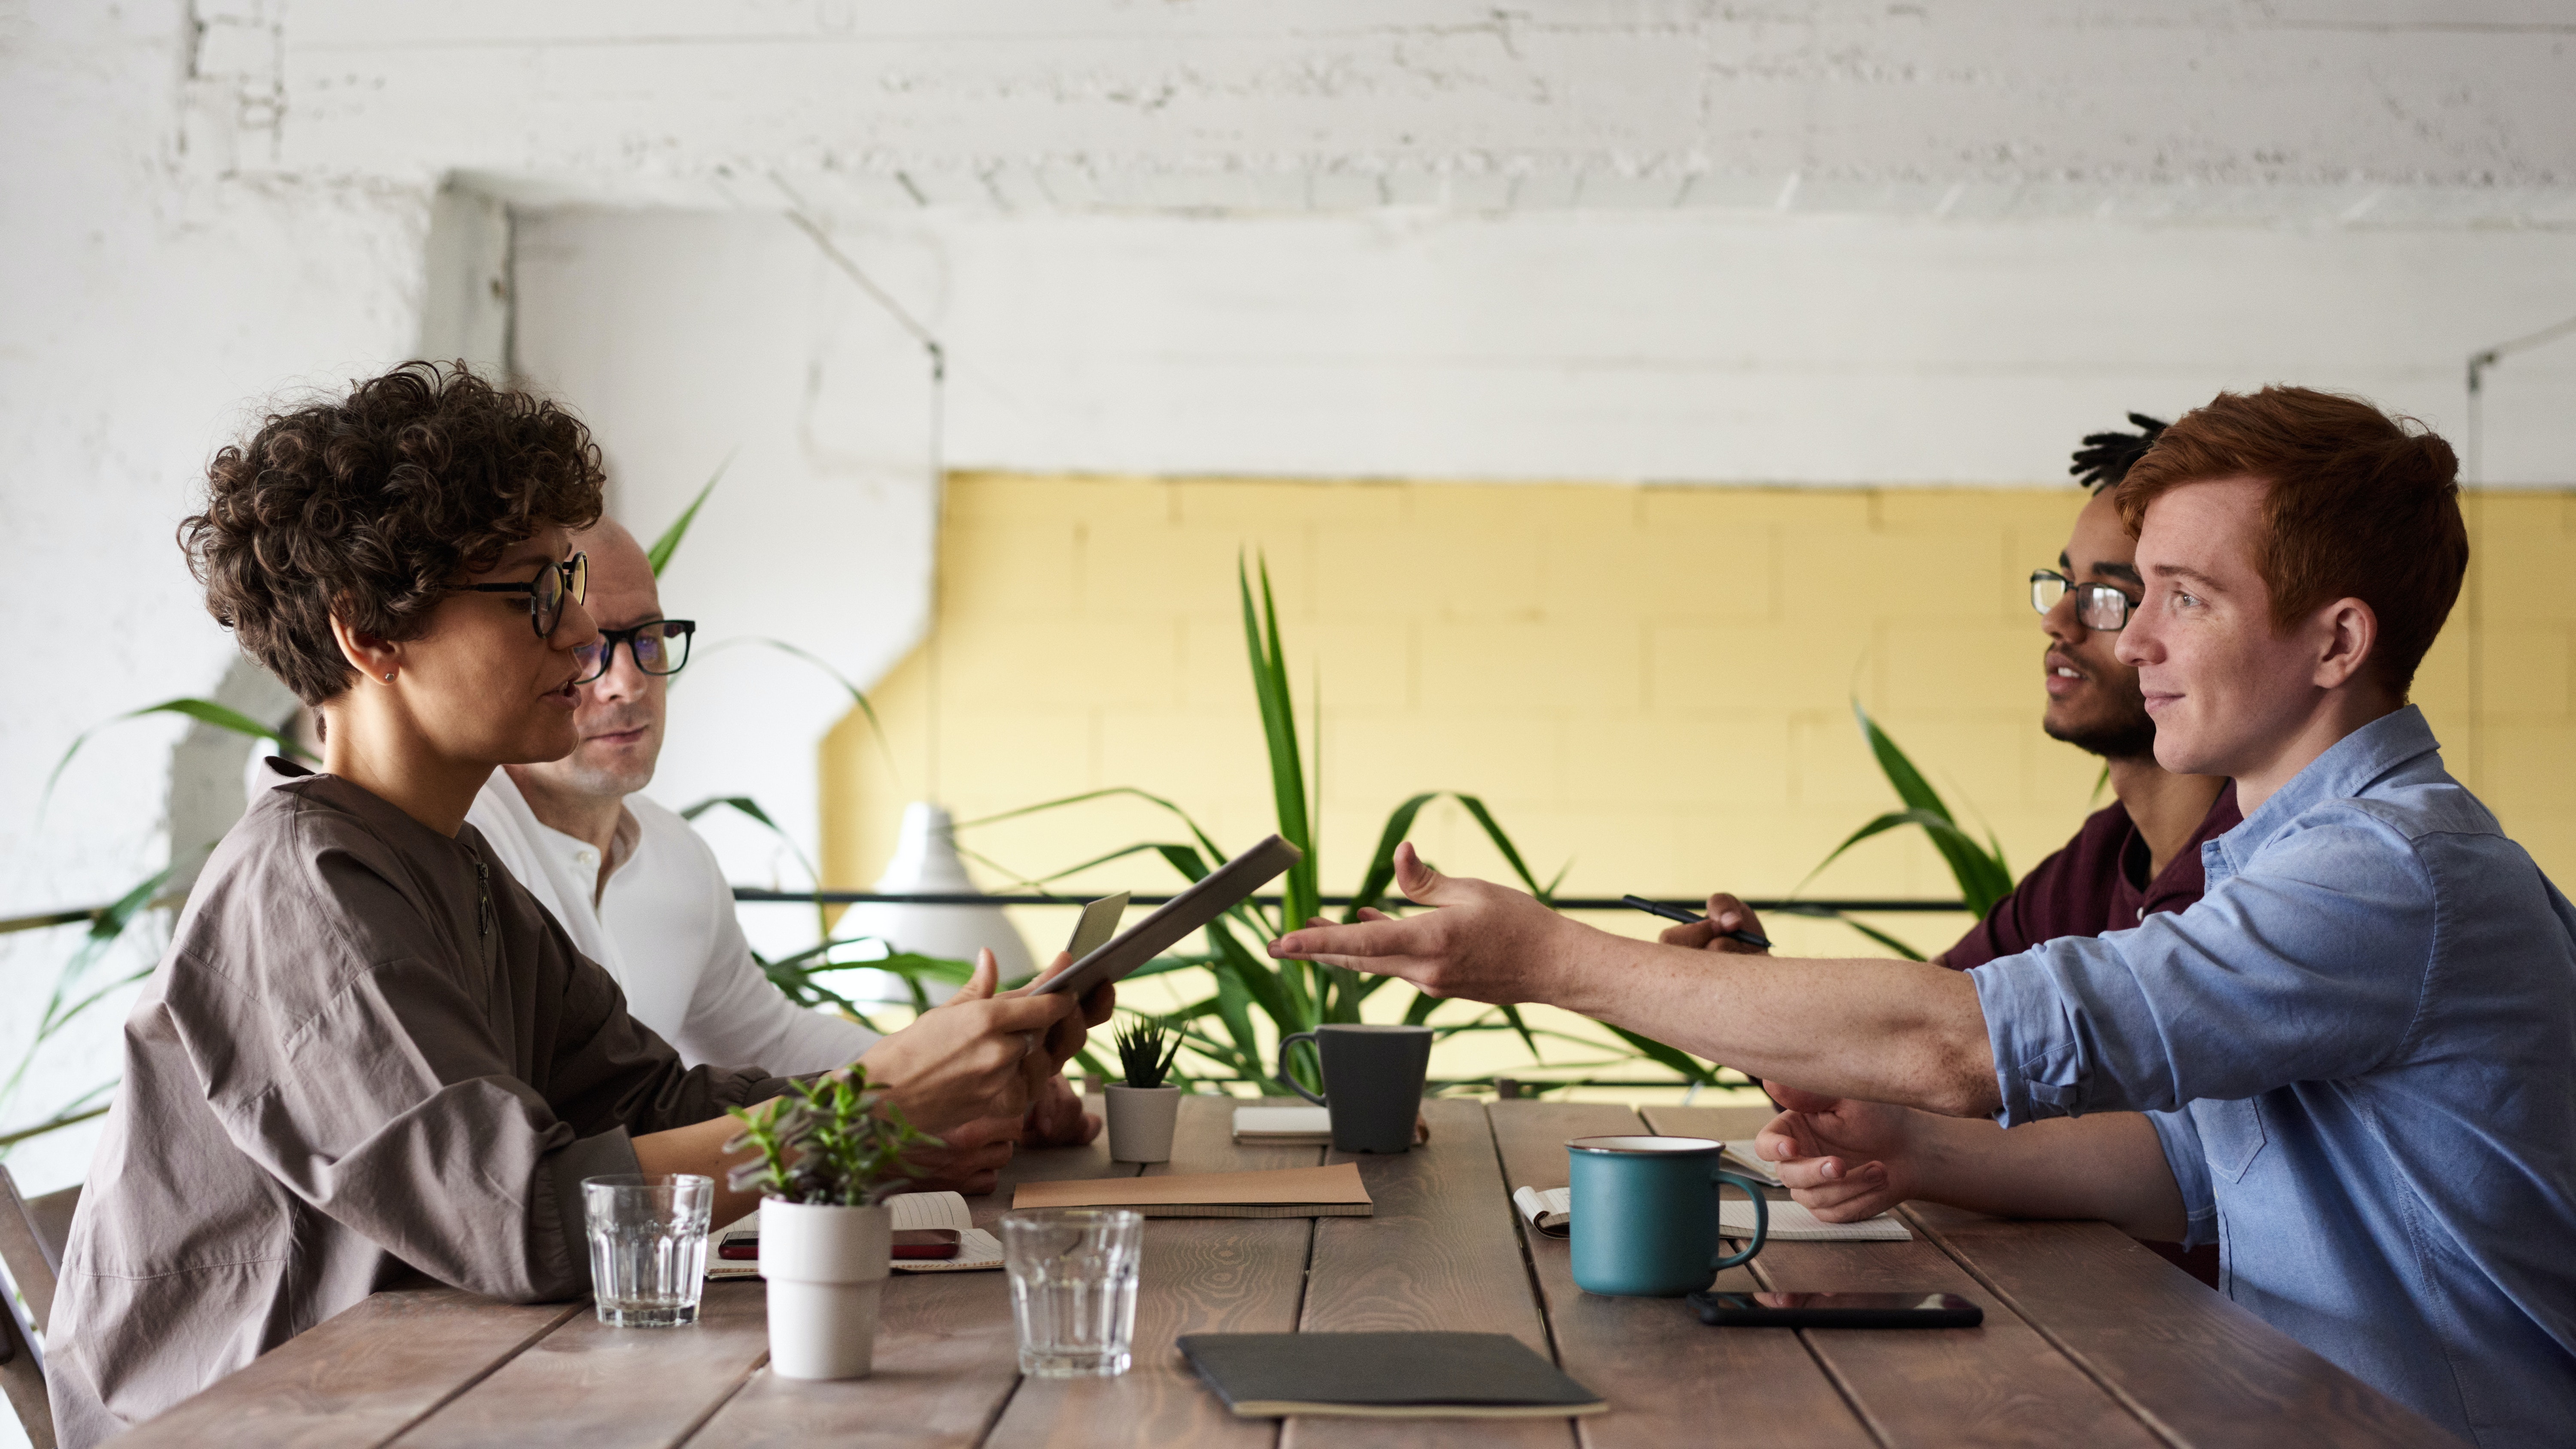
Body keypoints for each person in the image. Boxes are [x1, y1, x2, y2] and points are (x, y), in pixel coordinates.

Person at [1269, 386, 2576, 1448]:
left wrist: (1545, 958)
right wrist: (1915, 1151)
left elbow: (1965, 1041)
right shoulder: (2294, 858)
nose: (2136, 644)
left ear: (2338, 643)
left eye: (2187, 598)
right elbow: (2190, 1165)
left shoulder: (2389, 875)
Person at [48, 363, 1108, 1446]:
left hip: (414, 1396)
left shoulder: (452, 866)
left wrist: (936, 1084)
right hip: (245, 1423)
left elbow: (649, 1103)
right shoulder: (307, 883)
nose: (579, 639)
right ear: (369, 632)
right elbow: (531, 1216)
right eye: (537, 596)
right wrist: (872, 1109)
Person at [1695, 413, 2240, 1284]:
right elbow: (1921, 1046)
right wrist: (1746, 990)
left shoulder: (2272, 877)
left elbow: (2183, 1163)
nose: (2060, 620)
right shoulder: (2101, 858)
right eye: (2060, 584)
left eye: (2109, 595)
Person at [462, 515, 1097, 1191]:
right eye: (587, 648)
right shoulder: (467, 849)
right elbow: (511, 1171)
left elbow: (768, 1038)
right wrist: (883, 1123)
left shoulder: (677, 855)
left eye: (646, 639)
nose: (629, 682)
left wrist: (964, 1072)